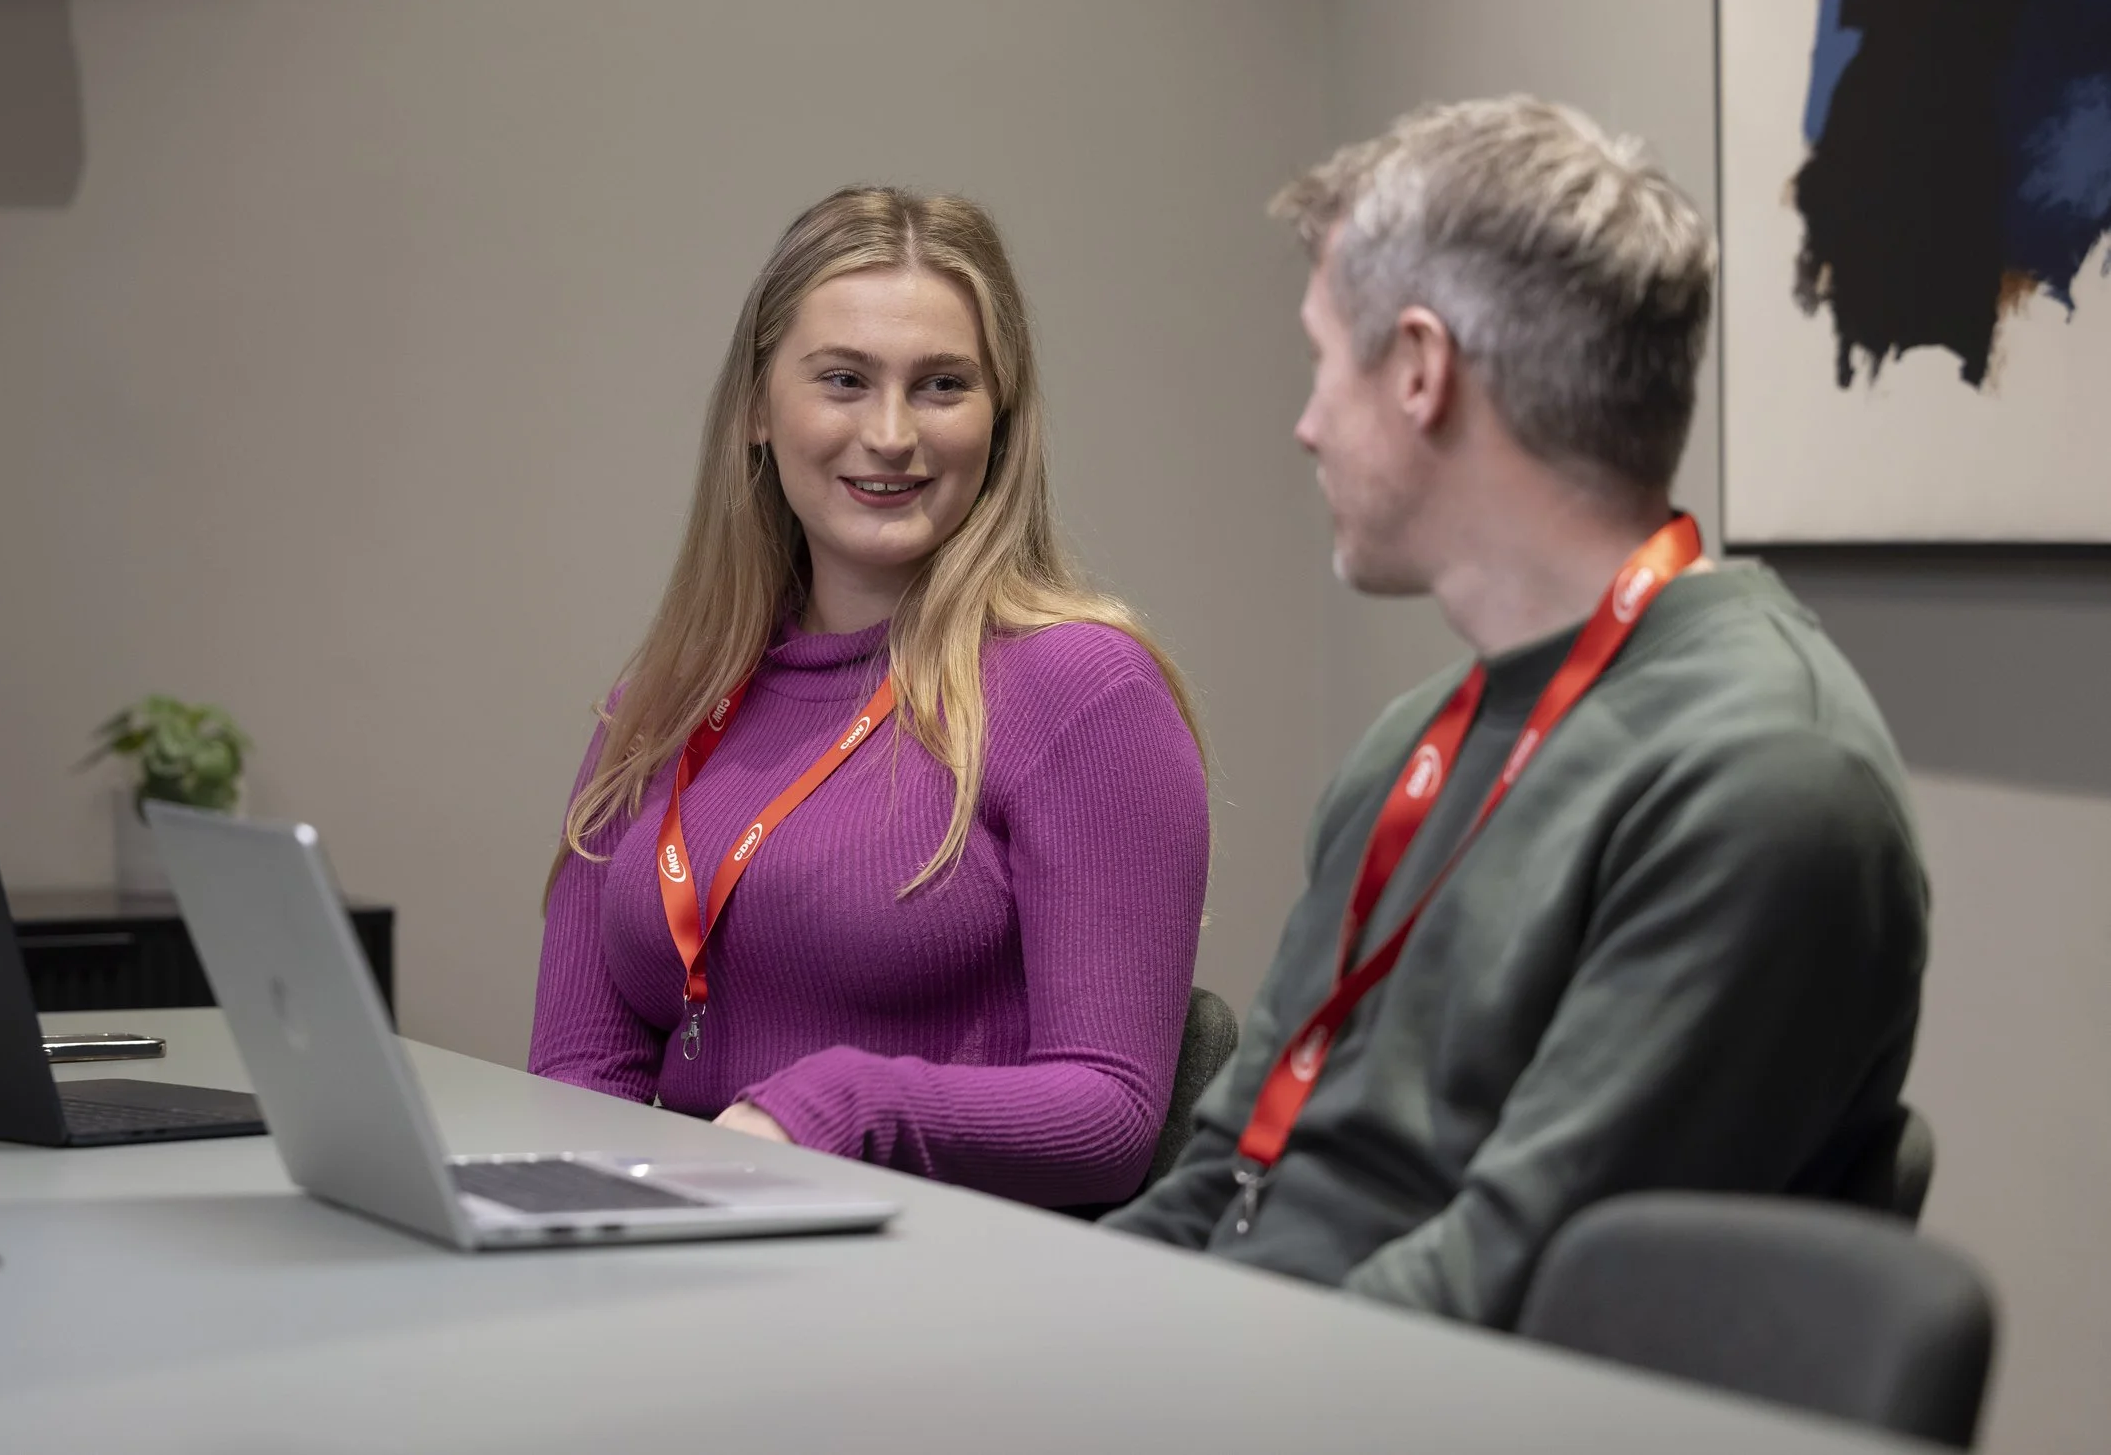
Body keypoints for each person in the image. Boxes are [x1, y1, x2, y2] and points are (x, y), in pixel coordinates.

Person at [1104, 97, 1928, 1326]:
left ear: (1422, 371)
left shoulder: (1765, 777)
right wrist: (1036, 1331)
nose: (1307, 422)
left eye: (1325, 360)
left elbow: (1517, 1282)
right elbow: (1222, 1169)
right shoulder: (1410, 743)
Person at [529, 186, 1211, 1208]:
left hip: (943, 1297)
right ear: (759, 408)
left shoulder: (1083, 689)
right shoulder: (659, 707)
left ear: (1000, 417)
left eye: (941, 385)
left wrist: (834, 1106)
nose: (891, 433)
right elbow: (576, 1078)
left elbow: (1109, 1114)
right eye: (843, 379)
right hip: (681, 1260)